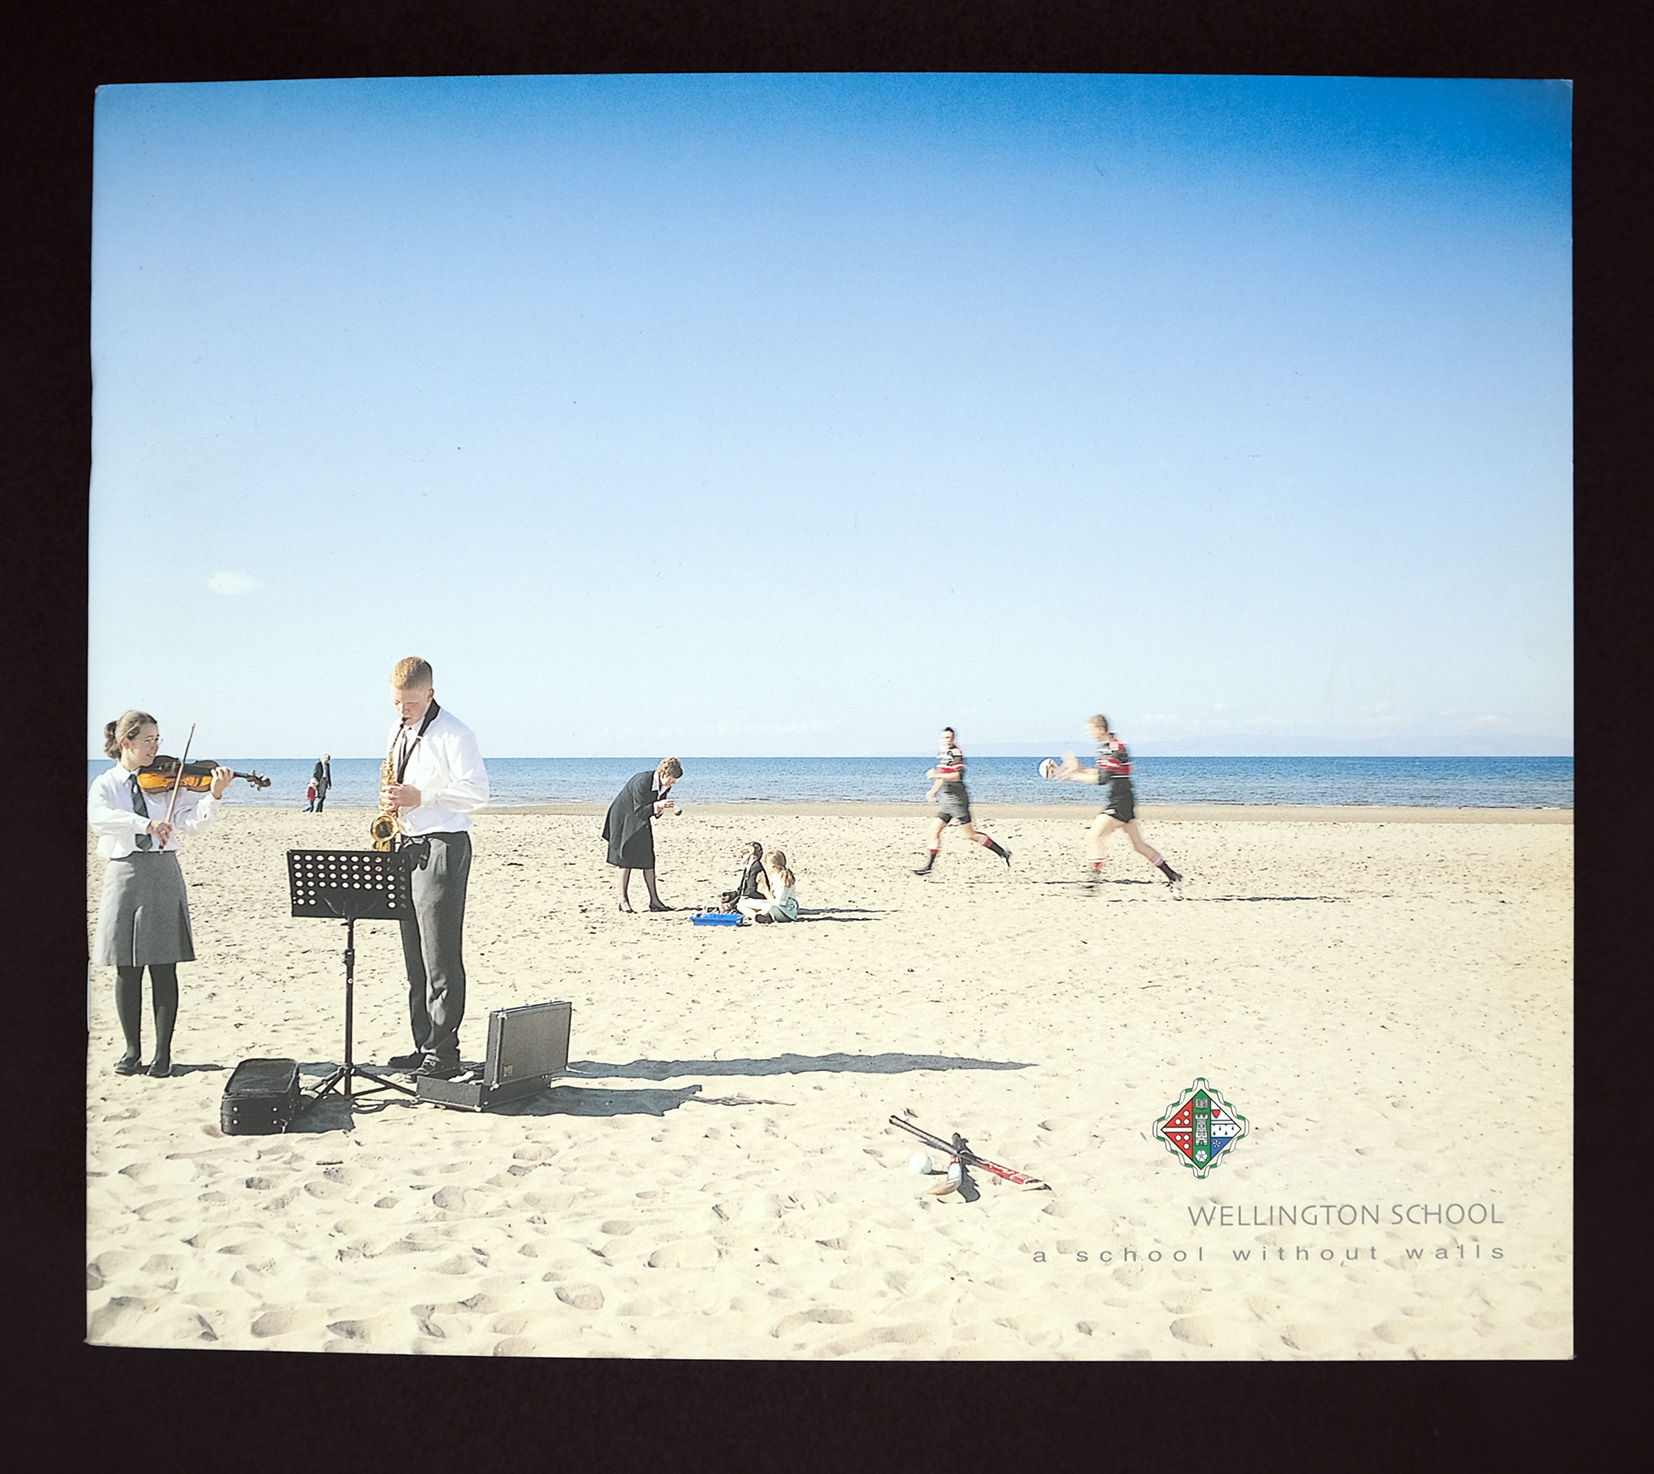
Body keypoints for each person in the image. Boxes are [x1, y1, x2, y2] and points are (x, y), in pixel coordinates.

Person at [87, 710, 235, 1077]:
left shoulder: (174, 782)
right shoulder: (107, 784)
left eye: (158, 740)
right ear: (126, 743)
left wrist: (213, 795)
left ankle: (163, 1054)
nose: (156, 748)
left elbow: (193, 824)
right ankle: (131, 1051)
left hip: (164, 872)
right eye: (148, 741)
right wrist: (146, 823)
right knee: (127, 966)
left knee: (164, 966)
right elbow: (99, 819)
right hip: (125, 873)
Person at [378, 657, 489, 1080]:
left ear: (431, 693)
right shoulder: (398, 729)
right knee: (414, 957)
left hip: (443, 844)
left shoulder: (456, 733)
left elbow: (477, 792)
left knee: (440, 955)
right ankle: (423, 1043)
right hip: (406, 843)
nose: (402, 710)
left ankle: (444, 1052)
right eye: (396, 702)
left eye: (410, 702)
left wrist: (419, 795)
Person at [1052, 713, 1184, 895]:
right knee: (1138, 845)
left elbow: (1103, 779)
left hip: (1121, 801)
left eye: (1091, 730)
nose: (1090, 734)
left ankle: (1093, 882)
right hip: (1123, 799)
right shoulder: (1106, 748)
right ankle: (1173, 876)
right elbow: (1103, 772)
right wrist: (1079, 768)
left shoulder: (1115, 748)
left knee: (1094, 836)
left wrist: (1073, 775)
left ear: (1100, 729)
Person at [914, 727, 1011, 875]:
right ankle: (928, 868)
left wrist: (935, 775)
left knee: (970, 835)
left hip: (958, 801)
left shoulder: (956, 753)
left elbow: (956, 776)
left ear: (954, 739)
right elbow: (943, 776)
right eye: (945, 738)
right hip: (947, 801)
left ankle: (1002, 852)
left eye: (950, 738)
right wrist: (934, 790)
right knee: (934, 830)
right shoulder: (943, 754)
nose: (948, 740)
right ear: (940, 739)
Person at [602, 758, 683, 912]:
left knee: (648, 858)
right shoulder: (642, 781)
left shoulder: (664, 786)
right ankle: (623, 901)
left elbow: (651, 810)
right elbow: (639, 810)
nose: (673, 783)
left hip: (640, 820)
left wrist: (659, 809)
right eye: (672, 779)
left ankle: (654, 901)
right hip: (623, 818)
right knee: (624, 858)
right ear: (664, 773)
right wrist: (656, 806)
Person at [737, 849, 800, 923]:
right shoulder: (775, 876)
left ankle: (762, 916)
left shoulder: (783, 879)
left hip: (785, 911)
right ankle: (757, 916)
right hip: (775, 907)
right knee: (741, 904)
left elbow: (777, 903)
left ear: (773, 866)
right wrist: (762, 883)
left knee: (769, 908)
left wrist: (765, 890)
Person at [718, 840, 768, 912]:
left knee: (741, 904)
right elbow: (741, 890)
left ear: (751, 853)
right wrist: (728, 896)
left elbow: (751, 892)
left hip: (758, 900)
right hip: (748, 899)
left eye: (744, 852)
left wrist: (732, 903)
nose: (741, 855)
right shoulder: (748, 868)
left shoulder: (756, 867)